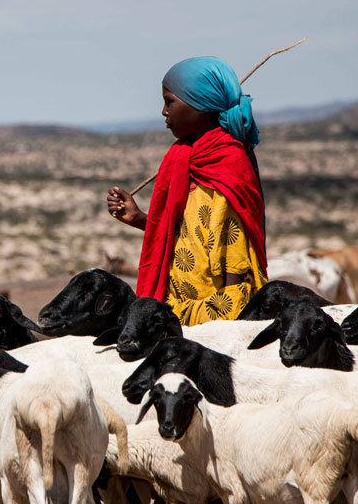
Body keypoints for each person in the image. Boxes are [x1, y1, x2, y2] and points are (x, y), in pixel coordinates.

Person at [107, 56, 267, 325]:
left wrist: (176, 321)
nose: (163, 112)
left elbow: (235, 281)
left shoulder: (228, 167)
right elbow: (190, 237)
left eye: (170, 101)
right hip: (181, 312)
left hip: (215, 322)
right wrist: (139, 219)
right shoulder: (184, 158)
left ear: (202, 105)